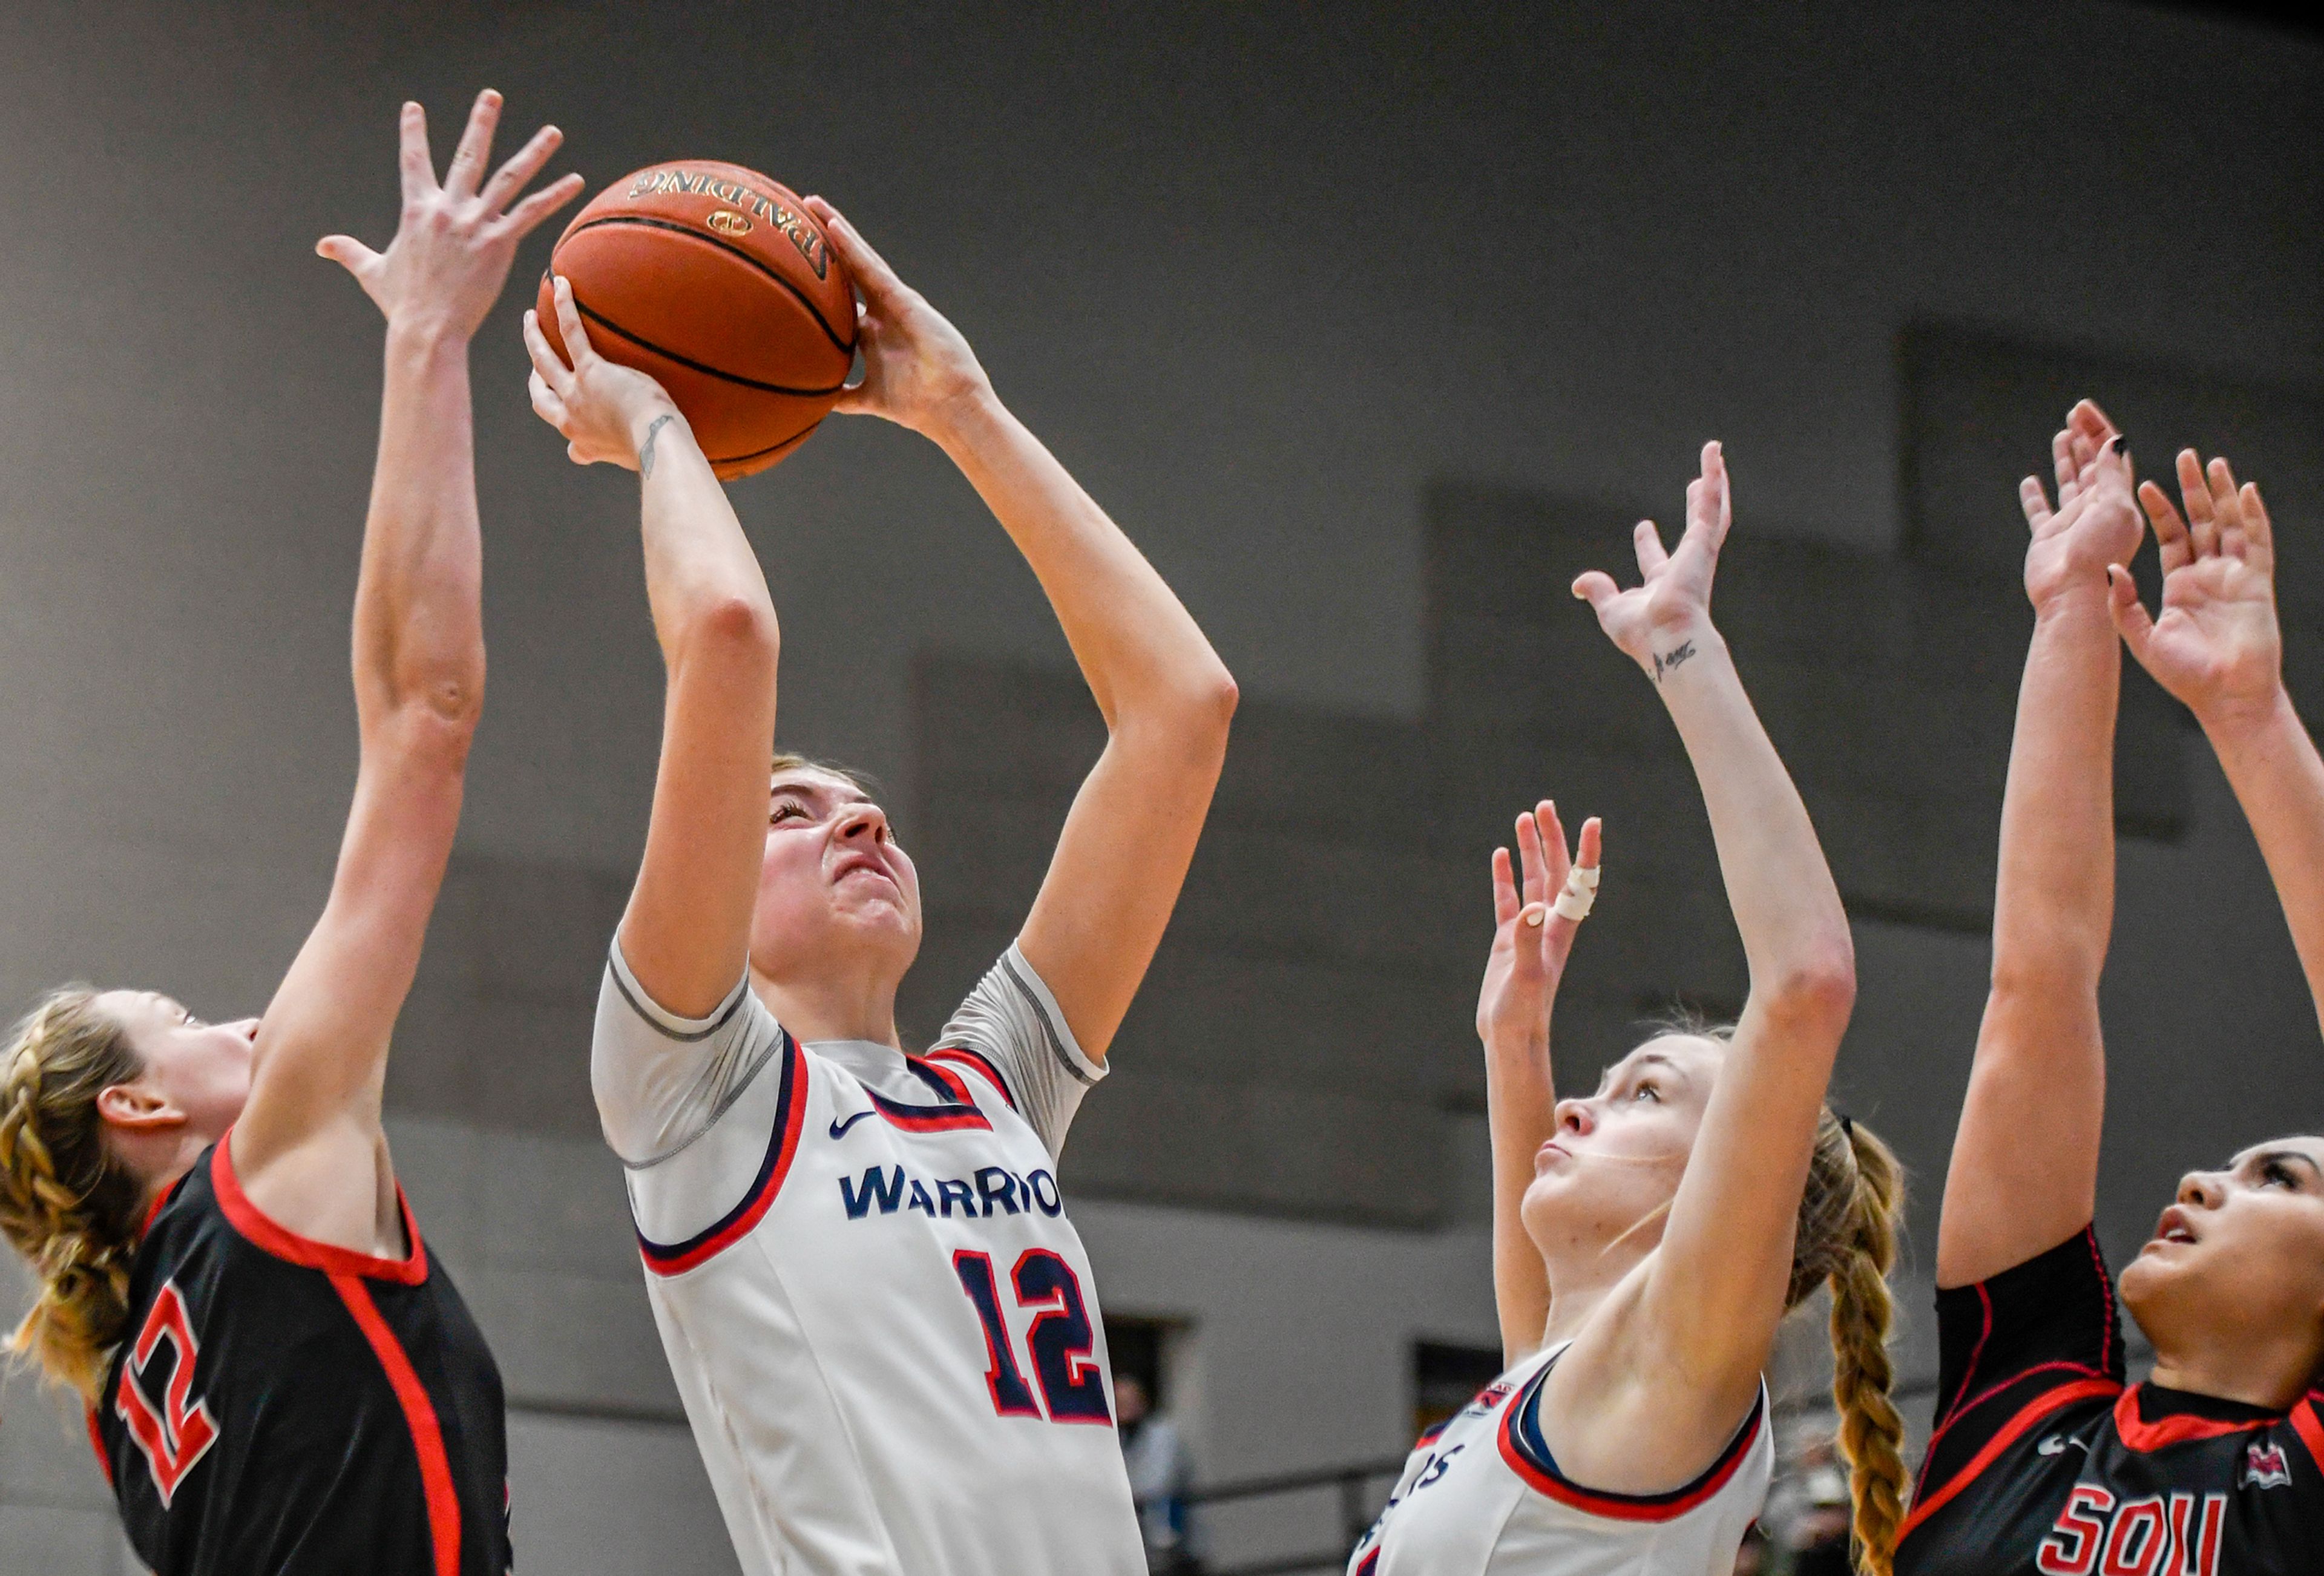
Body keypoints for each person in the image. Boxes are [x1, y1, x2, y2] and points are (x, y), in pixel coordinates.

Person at [519, 196, 1236, 1575]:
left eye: (874, 814)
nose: (859, 829)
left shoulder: (994, 1087)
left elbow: (1182, 709)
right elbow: (727, 631)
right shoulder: (693, 1093)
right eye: (794, 814)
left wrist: (961, 410)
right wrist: (657, 423)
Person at [0, 92, 577, 1575]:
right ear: (139, 1111)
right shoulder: (274, 1175)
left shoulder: (130, 1401)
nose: (249, 1019)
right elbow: (420, 716)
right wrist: (426, 344)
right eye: (183, 1021)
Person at [1348, 443, 1905, 1576]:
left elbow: (1806, 979)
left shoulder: (1677, 1363)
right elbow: (1535, 1312)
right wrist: (1514, 1038)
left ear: (1726, 1180)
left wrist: (1681, 646)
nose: (1577, 1106)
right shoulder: (1564, 1381)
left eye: (1645, 1090)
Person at [1895, 404, 2324, 1573]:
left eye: (2281, 1174)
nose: (2201, 1176)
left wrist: (2250, 715)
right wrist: (2073, 607)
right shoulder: (2013, 1412)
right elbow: (2037, 982)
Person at [1118, 1371, 1203, 1572]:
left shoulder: (1164, 1434)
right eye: (1120, 1403)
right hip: (1140, 1545)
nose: (1125, 1409)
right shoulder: (1118, 1438)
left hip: (1176, 1545)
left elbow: (1158, 1483)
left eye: (1130, 1401)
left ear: (1143, 1402)